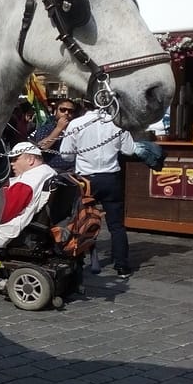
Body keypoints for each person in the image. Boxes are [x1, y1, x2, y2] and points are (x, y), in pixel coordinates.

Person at [60, 108, 136, 278]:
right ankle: (122, 265)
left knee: (80, 221)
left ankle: (76, 261)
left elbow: (66, 156)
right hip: (110, 178)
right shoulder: (118, 123)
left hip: (86, 180)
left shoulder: (77, 123)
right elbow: (129, 150)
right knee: (116, 226)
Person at [0, 141, 58, 249]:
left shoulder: (27, 183)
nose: (11, 164)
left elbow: (2, 214)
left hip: (3, 234)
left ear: (30, 159)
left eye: (15, 159)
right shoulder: (48, 172)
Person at [31, 98, 78, 172]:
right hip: (52, 170)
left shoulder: (76, 129)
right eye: (63, 110)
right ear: (55, 111)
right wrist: (58, 129)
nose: (66, 113)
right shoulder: (46, 128)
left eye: (70, 111)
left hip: (73, 170)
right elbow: (42, 146)